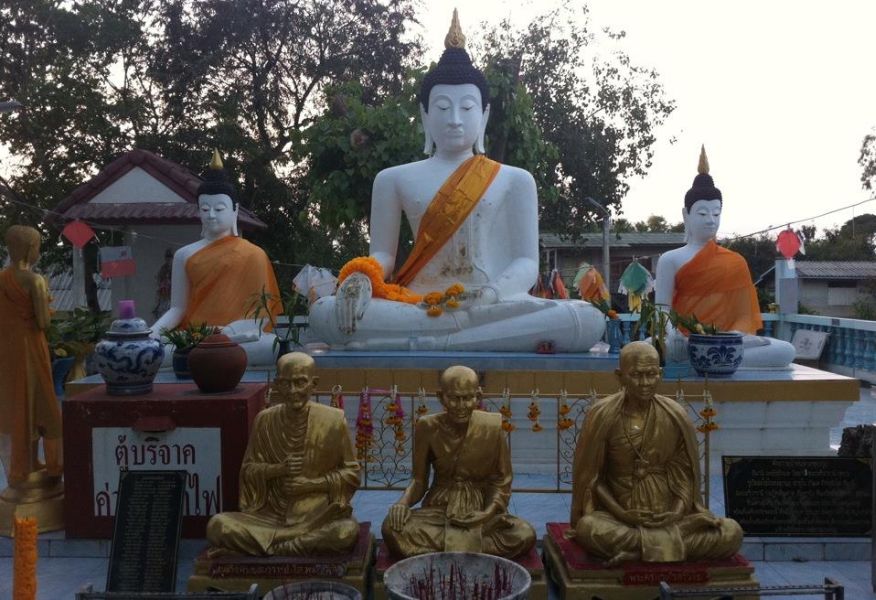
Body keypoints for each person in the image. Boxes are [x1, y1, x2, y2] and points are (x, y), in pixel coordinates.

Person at [307, 11, 604, 352]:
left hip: (488, 303)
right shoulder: (392, 179)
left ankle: (429, 342)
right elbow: (383, 255)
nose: (455, 120)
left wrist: (489, 294)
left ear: (485, 115)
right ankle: (454, 339)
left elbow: (525, 264)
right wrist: (361, 276)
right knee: (326, 312)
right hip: (417, 304)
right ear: (424, 115)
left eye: (467, 107)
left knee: (584, 317)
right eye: (443, 108)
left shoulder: (514, 180)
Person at [569, 341, 742, 565]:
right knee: (589, 529)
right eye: (637, 375)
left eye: (652, 374)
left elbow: (684, 475)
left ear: (660, 374)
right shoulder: (603, 416)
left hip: (670, 516)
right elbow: (593, 479)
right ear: (619, 376)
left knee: (731, 532)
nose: (645, 383)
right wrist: (622, 514)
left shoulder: (674, 415)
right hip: (621, 517)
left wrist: (678, 512)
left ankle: (641, 550)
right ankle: (668, 544)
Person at [205, 352, 360, 556]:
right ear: (277, 384)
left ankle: (272, 547)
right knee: (218, 525)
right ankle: (290, 545)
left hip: (316, 515)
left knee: (345, 532)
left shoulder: (333, 420)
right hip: (269, 516)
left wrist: (311, 485)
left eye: (300, 383)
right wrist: (278, 470)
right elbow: (249, 471)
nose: (293, 391)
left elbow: (352, 473)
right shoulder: (265, 420)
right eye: (286, 384)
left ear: (314, 384)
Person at [654, 147, 795, 368]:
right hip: (685, 340)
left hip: (727, 341)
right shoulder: (670, 259)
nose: (710, 220)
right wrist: (673, 337)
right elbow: (661, 309)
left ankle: (710, 358)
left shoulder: (735, 261)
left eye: (716, 213)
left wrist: (734, 336)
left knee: (785, 351)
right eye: (702, 213)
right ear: (686, 215)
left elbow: (742, 315)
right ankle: (709, 358)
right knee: (649, 350)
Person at [381, 365, 536, 558]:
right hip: (440, 511)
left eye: (468, 398)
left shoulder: (491, 428)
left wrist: (487, 513)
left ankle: (448, 549)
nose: (461, 406)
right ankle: (473, 546)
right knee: (391, 529)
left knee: (524, 533)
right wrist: (402, 503)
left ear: (478, 397)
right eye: (454, 398)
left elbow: (501, 481)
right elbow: (419, 481)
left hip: (479, 514)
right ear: (441, 397)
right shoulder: (427, 427)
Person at [151, 150, 283, 366]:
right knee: (159, 352)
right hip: (195, 337)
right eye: (205, 209)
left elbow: (262, 317)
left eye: (219, 208)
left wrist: (228, 332)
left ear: (235, 210)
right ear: (198, 212)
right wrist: (152, 333)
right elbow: (177, 309)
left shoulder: (254, 254)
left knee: (270, 346)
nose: (211, 215)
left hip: (236, 337)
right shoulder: (185, 254)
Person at [0, 226, 63, 489]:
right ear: (29, 249)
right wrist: (47, 300)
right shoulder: (35, 280)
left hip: (7, 349)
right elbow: (44, 322)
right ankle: (50, 465)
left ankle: (24, 466)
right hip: (31, 349)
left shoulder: (2, 278)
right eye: (37, 247)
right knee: (42, 404)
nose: (38, 252)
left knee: (17, 404)